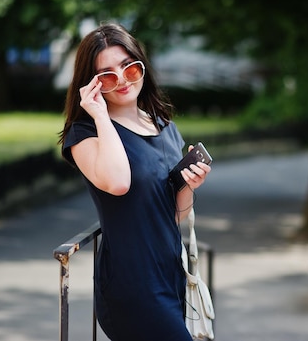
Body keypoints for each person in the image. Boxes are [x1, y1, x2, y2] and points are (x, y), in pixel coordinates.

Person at [58, 22, 211, 341]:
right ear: (93, 84)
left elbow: (173, 215)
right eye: (108, 75)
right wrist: (100, 115)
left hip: (169, 275)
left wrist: (188, 187)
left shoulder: (164, 126)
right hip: (133, 285)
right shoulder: (84, 134)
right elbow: (117, 183)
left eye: (129, 67)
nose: (123, 79)